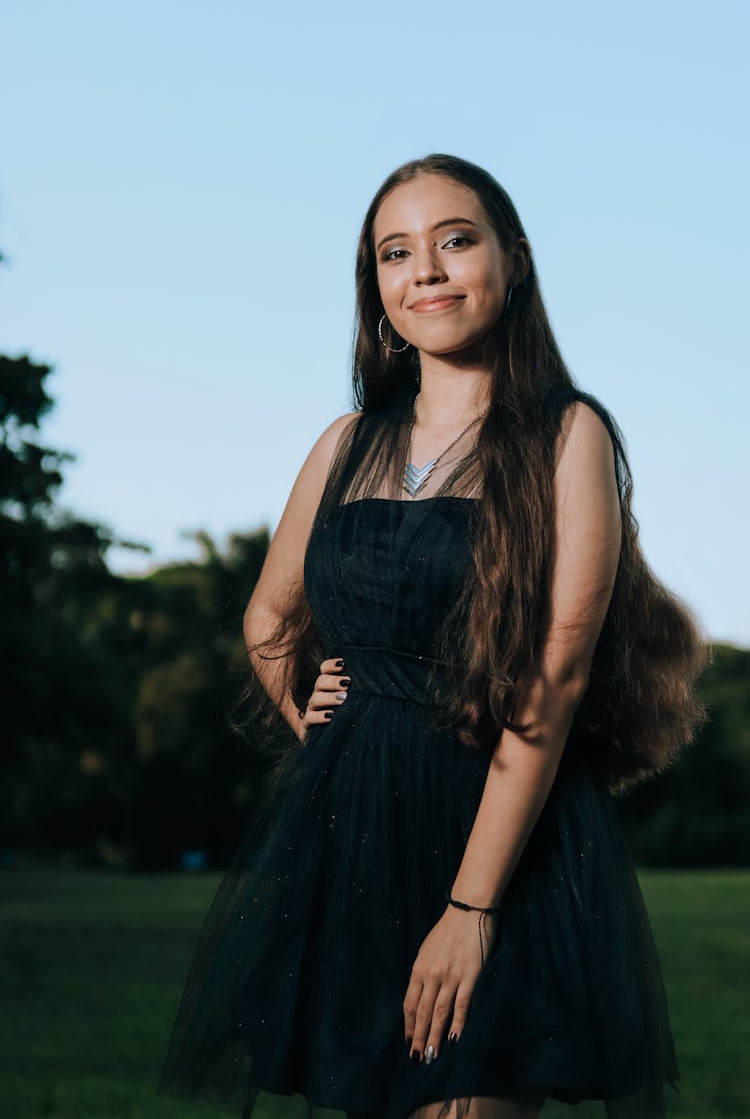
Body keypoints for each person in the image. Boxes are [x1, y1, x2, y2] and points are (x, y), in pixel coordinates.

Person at [157, 154, 707, 1119]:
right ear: (377, 290)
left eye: (456, 241)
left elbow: (557, 674)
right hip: (356, 838)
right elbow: (267, 617)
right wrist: (311, 711)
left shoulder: (566, 435)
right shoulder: (344, 441)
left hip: (498, 842)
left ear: (514, 260)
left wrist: (472, 910)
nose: (429, 272)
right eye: (396, 254)